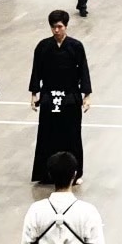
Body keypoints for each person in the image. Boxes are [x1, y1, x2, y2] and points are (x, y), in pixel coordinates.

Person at [29, 10, 92, 184]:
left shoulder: (75, 46)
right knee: (47, 135)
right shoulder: (43, 46)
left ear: (66, 26)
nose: (56, 30)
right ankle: (45, 173)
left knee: (72, 136)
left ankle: (74, 173)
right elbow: (36, 71)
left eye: (59, 27)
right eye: (53, 27)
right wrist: (34, 94)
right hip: (49, 96)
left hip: (70, 96)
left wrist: (86, 95)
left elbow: (83, 70)